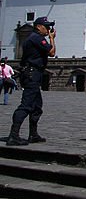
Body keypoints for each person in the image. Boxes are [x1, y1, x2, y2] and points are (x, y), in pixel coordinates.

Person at [6, 16, 56, 146]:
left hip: (33, 74)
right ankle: (14, 135)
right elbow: (51, 52)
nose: (48, 29)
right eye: (46, 27)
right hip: (32, 74)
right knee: (26, 105)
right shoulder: (37, 38)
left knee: (36, 106)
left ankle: (33, 134)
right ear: (39, 26)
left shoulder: (33, 38)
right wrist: (52, 38)